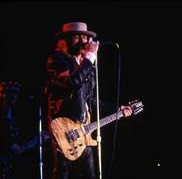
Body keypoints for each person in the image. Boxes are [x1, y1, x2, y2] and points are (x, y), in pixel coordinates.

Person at [44, 22, 133, 179]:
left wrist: (118, 109)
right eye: (77, 36)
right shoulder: (57, 60)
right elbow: (72, 82)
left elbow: (91, 102)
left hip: (83, 134)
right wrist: (89, 58)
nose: (83, 40)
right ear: (65, 40)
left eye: (85, 36)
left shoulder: (88, 67)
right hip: (64, 132)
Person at [0, 81, 38, 179]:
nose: (15, 97)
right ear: (2, 95)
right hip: (3, 169)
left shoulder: (10, 114)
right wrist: (37, 140)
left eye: (16, 94)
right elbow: (15, 150)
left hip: (11, 166)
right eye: (11, 94)